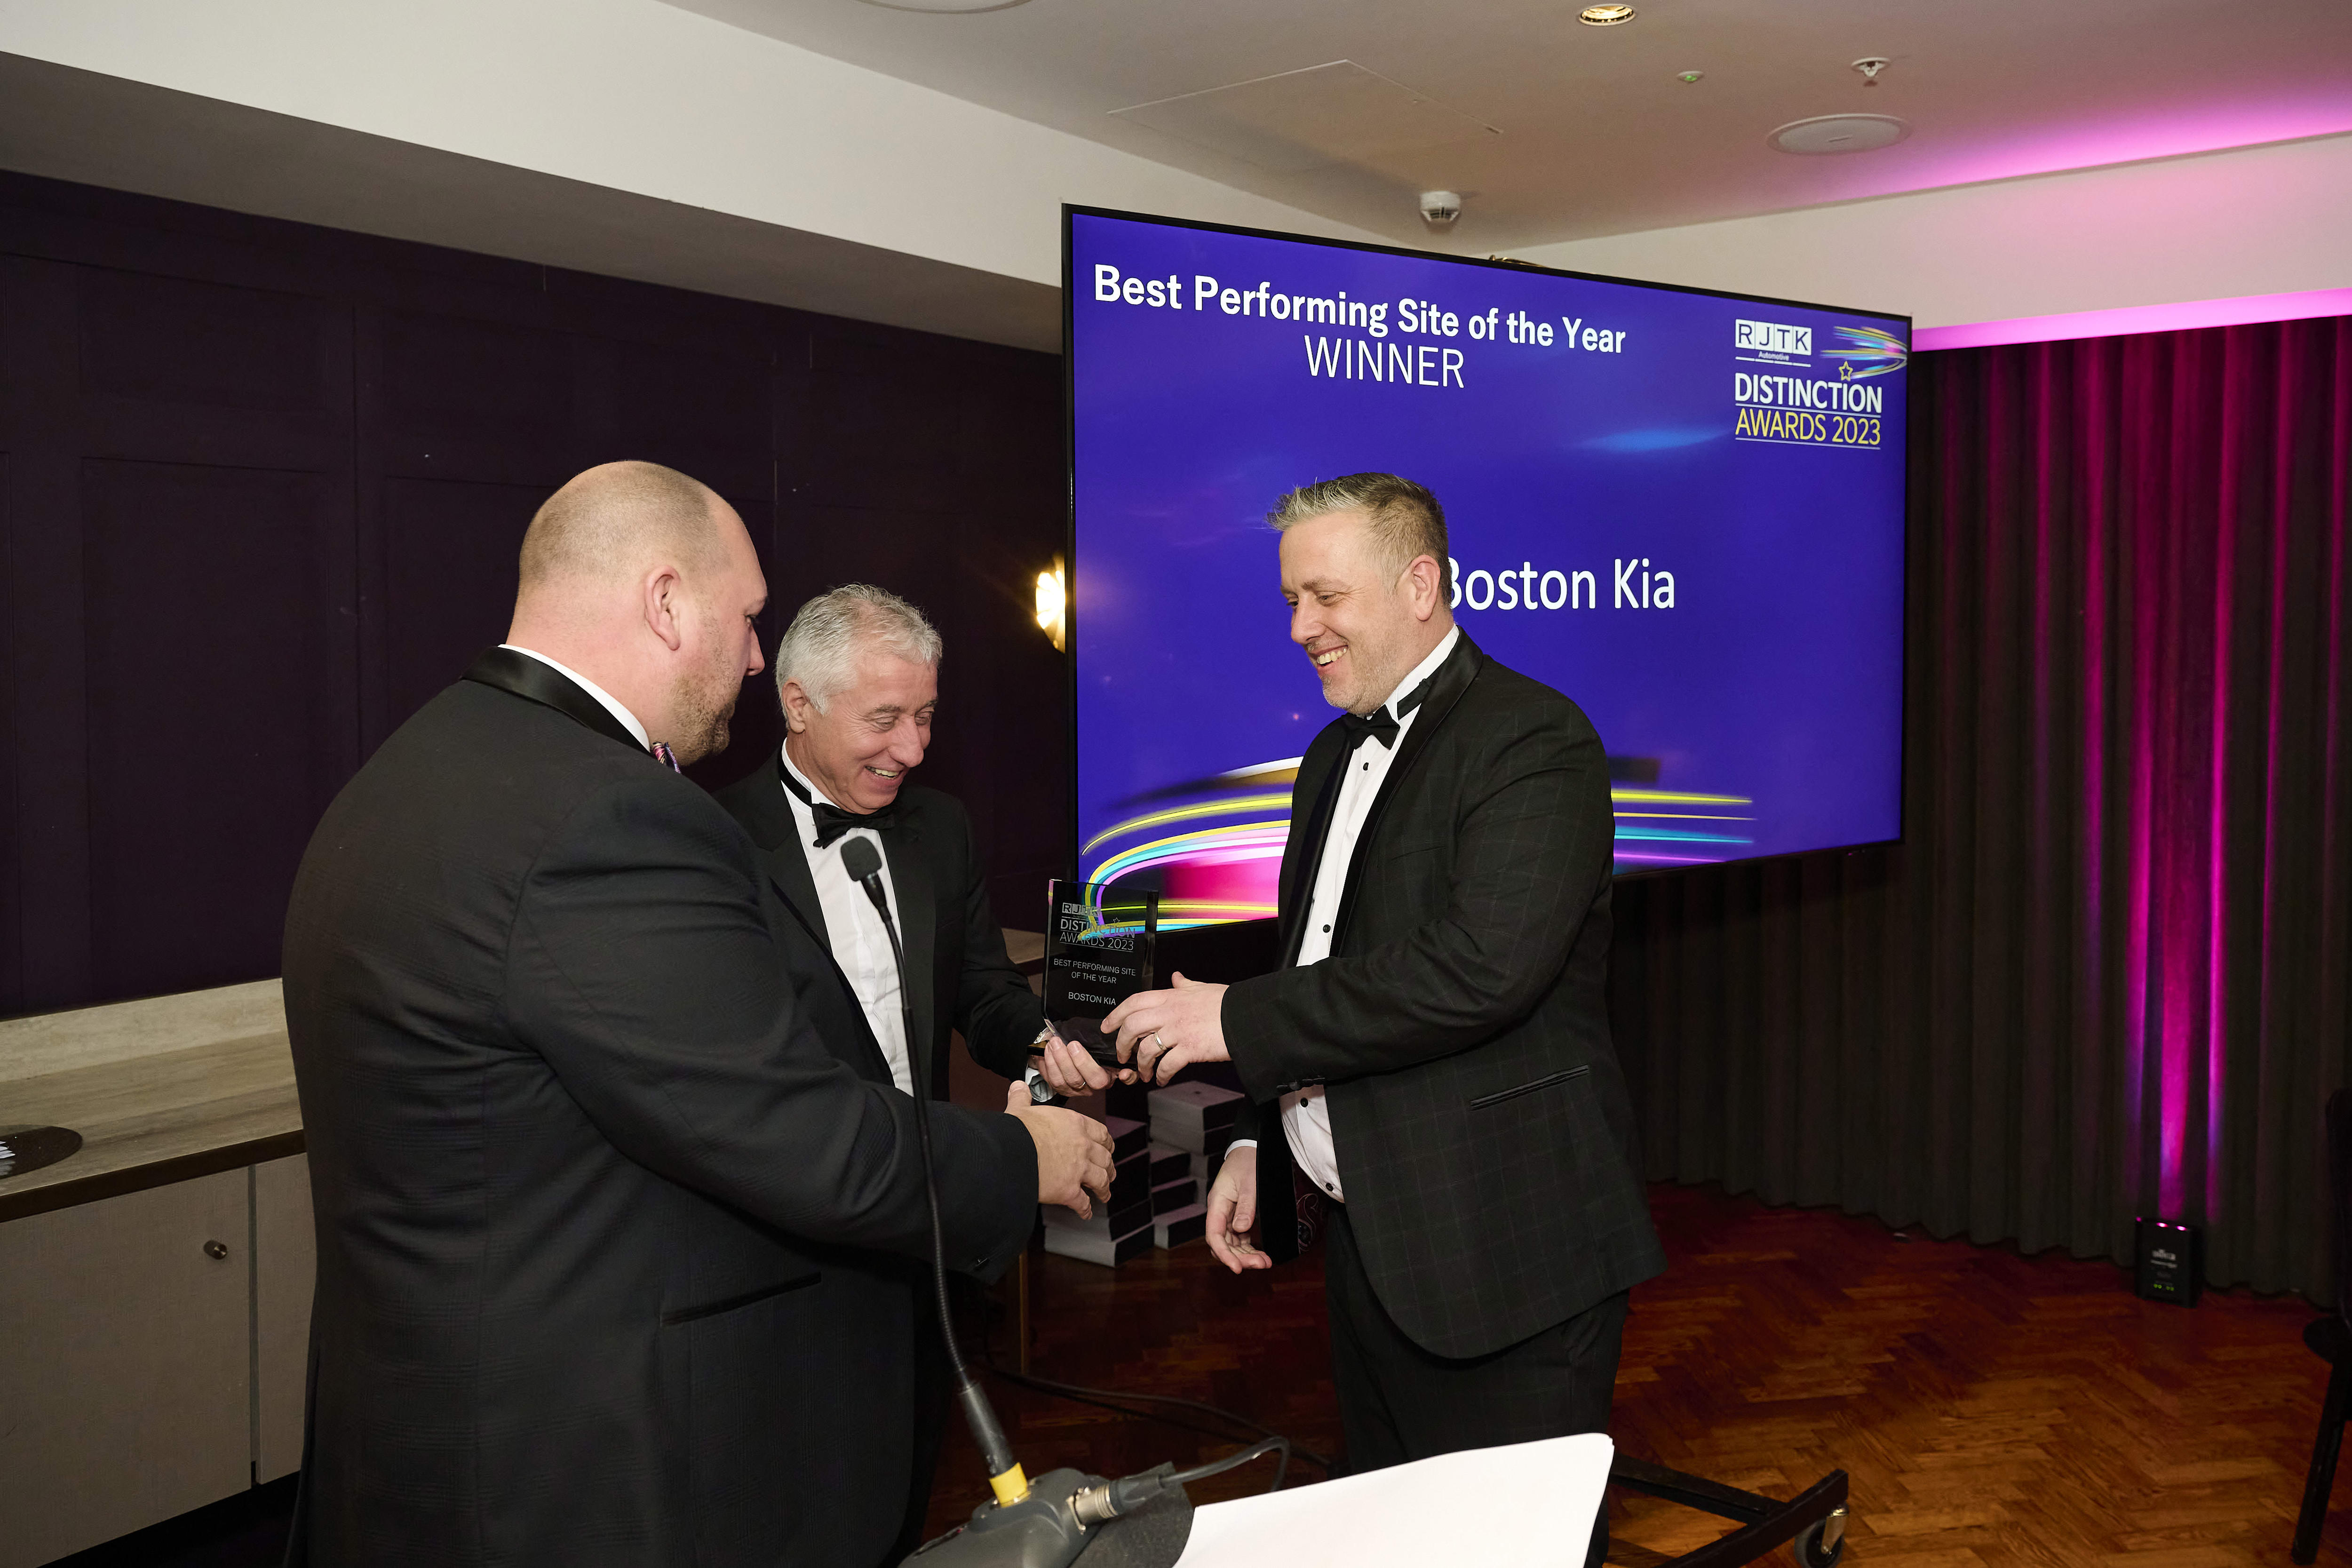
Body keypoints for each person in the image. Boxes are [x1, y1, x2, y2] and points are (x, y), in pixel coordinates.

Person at [283, 461, 1112, 1568]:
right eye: (750, 616)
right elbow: (793, 1130)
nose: (758, 655)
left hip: (428, 1432)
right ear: (668, 602)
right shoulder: (609, 815)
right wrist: (1023, 1153)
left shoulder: (408, 772)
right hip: (573, 1464)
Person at [1040, 472, 1662, 1565]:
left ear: (1419, 584)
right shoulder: (1331, 754)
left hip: (1506, 1251)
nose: (1300, 627)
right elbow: (1317, 965)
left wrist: (1233, 1018)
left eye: (1324, 596)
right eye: (1291, 600)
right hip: (1372, 1243)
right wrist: (1258, 1139)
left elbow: (1481, 971)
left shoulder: (1535, 738)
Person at [712, 583, 1057, 1560]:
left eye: (927, 717)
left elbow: (982, 989)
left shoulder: (940, 827)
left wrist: (1041, 1042)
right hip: (788, 1253)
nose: (912, 748)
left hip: (924, 1236)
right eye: (885, 719)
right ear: (797, 703)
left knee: (901, 1494)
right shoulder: (712, 842)